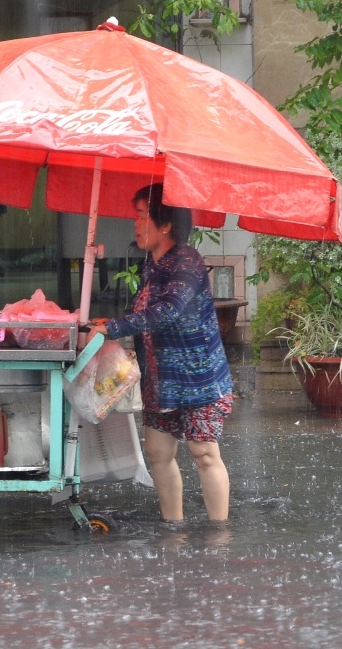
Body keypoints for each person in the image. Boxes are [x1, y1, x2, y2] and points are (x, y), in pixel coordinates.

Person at [87, 183, 233, 522]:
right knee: (157, 452)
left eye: (141, 216)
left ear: (164, 224)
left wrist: (116, 328)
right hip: (160, 379)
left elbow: (170, 311)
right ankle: (173, 528)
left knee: (204, 453)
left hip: (198, 379)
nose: (135, 224)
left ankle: (219, 533)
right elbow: (147, 311)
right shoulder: (153, 263)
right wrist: (114, 323)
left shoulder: (186, 262)